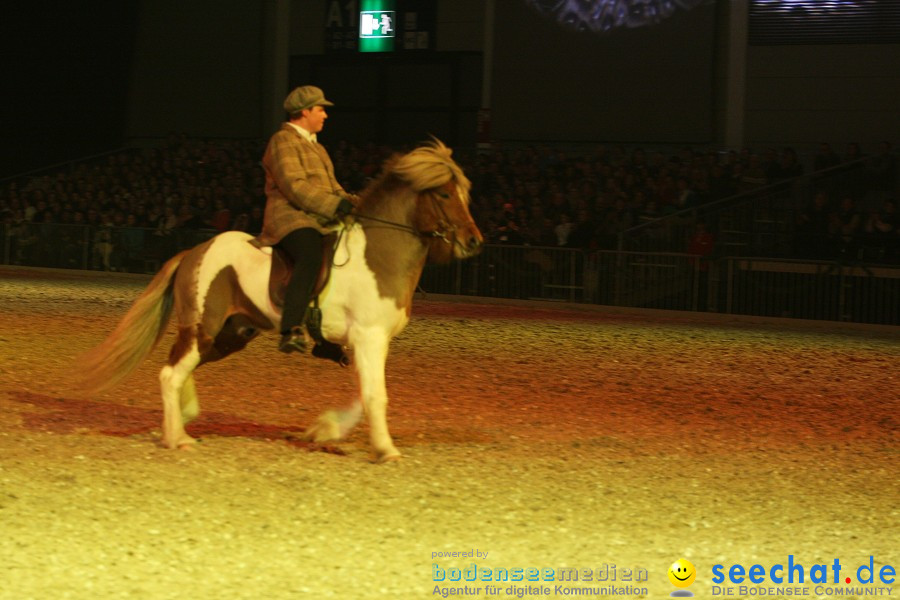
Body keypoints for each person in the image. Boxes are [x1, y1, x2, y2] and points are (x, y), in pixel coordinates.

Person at [257, 85, 356, 354]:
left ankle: (325, 337)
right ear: (304, 112)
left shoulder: (318, 148)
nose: (325, 115)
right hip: (289, 216)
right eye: (321, 109)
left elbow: (334, 188)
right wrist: (336, 206)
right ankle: (290, 329)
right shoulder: (282, 141)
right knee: (311, 254)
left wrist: (357, 205)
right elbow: (294, 186)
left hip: (319, 217)